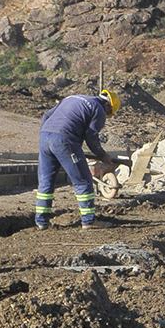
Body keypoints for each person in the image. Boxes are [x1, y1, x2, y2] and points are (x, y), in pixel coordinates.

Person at [35, 90, 123, 228]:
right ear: (107, 104)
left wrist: (45, 136)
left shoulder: (72, 98)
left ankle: (41, 222)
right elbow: (92, 137)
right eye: (109, 112)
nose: (106, 115)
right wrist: (102, 155)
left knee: (46, 181)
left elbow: (46, 115)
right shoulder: (98, 109)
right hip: (65, 139)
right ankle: (89, 221)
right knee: (83, 180)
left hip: (45, 137)